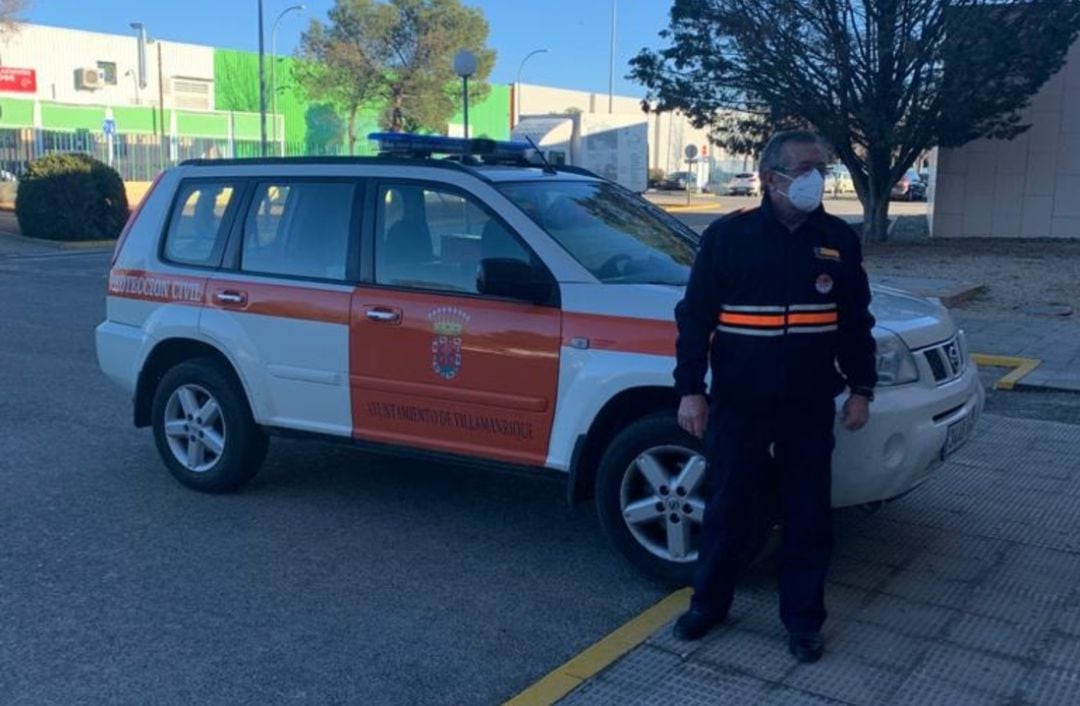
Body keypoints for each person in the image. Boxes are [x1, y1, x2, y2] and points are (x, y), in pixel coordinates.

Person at [671, 131, 877, 663]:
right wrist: (690, 390)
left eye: (821, 169)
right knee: (727, 508)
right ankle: (708, 605)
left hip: (807, 406)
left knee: (808, 515)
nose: (817, 179)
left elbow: (855, 322)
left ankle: (803, 622)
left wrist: (862, 388)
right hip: (739, 403)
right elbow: (694, 319)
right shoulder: (728, 237)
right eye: (805, 168)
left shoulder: (837, 239)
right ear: (770, 177)